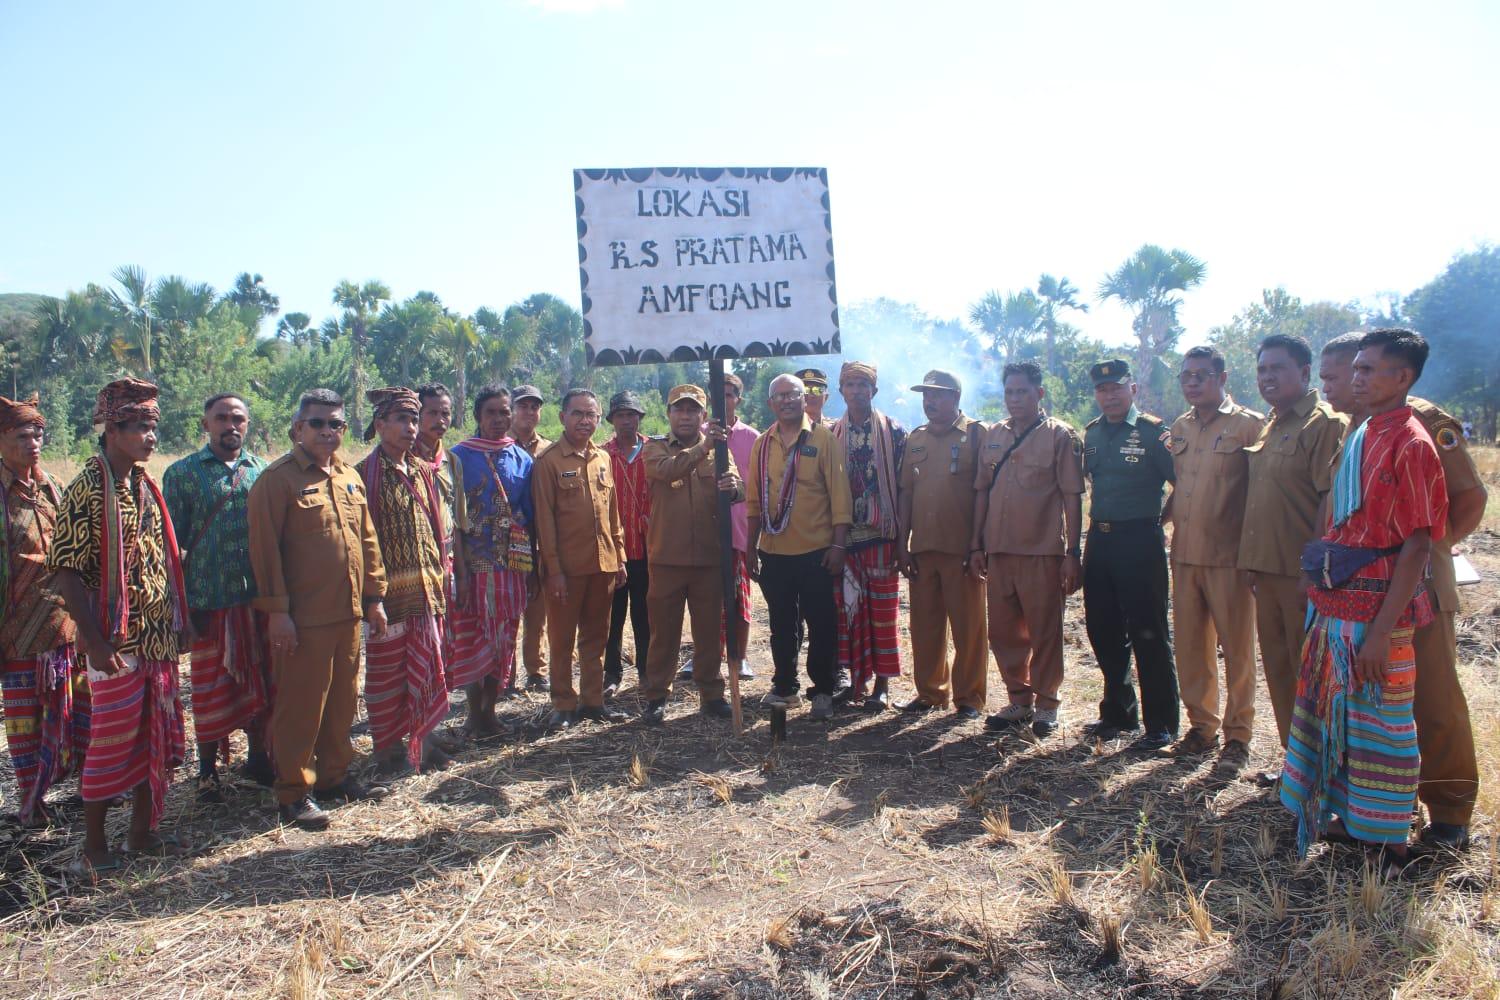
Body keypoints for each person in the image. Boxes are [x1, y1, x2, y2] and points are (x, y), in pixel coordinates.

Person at [1281, 329, 1448, 876]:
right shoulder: (1364, 432)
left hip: (1378, 614)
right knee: (1339, 711)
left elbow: (1419, 542)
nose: (1357, 377)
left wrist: (1380, 632)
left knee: (1382, 722)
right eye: (1354, 368)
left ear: (1402, 378)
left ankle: (1390, 838)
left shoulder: (1414, 442)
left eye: (1369, 369)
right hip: (1338, 603)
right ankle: (1352, 819)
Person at [1319, 333, 1487, 850]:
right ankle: (1386, 810)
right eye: (1333, 376)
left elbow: (1468, 498)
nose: (1340, 383)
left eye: (1347, 371)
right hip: (1363, 592)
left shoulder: (1424, 426)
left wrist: (1431, 552)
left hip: (1418, 591)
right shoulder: (1359, 427)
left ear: (1395, 375)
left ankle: (1450, 812)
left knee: (1432, 700)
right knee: (1376, 705)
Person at [49, 378, 189, 870]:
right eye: (138, 427)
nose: (150, 437)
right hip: (115, 641)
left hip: (154, 638)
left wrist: (178, 622)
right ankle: (93, 848)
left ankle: (141, 835)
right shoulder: (87, 487)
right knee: (111, 744)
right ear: (111, 430)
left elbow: (159, 562)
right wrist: (93, 640)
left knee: (155, 735)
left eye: (152, 427)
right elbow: (65, 569)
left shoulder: (145, 485)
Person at [248, 389, 389, 831]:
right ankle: (293, 792)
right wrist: (278, 613)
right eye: (318, 423)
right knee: (301, 706)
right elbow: (265, 552)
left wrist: (375, 598)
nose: (328, 431)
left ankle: (334, 777)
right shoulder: (278, 480)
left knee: (343, 701)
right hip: (302, 619)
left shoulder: (349, 476)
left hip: (347, 613)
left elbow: (367, 541)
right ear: (298, 429)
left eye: (336, 424)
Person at [1239, 334, 1346, 759]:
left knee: (1314, 675)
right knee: (1281, 673)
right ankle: (1295, 765)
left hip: (1302, 578)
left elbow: (1329, 499)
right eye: (1262, 369)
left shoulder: (1324, 424)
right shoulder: (1272, 423)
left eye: (1276, 368)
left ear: (1304, 373)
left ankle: (1324, 770)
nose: (1267, 377)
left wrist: (1311, 569)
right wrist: (1251, 563)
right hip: (1266, 572)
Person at [162, 393, 272, 802]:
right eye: (221, 418)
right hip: (208, 602)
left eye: (238, 418)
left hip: (256, 600)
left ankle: (259, 758)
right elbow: (169, 547)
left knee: (261, 680)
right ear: (205, 424)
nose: (231, 425)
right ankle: (207, 771)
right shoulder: (183, 474)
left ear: (247, 424)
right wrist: (180, 611)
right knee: (209, 690)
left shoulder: (262, 471)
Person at [1161, 347, 1265, 772]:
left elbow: (1261, 492)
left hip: (1230, 557)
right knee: (1190, 647)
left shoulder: (1250, 425)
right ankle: (1201, 727)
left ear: (1223, 378)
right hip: (1184, 554)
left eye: (1201, 375)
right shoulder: (1180, 426)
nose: (1191, 382)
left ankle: (1237, 736)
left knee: (1237, 648)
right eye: (1186, 375)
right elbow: (1179, 485)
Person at [967, 362, 1084, 737]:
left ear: (1040, 394)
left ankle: (1047, 704)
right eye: (1010, 392)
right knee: (1002, 632)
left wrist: (1072, 553)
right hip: (999, 550)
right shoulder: (994, 434)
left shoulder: (1059, 436)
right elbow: (981, 491)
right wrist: (977, 545)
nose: (1015, 399)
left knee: (1044, 631)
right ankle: (1020, 699)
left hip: (1041, 551)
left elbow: (1071, 495)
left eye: (1022, 392)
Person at [1080, 359, 1179, 750]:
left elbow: (1181, 484)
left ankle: (1161, 723)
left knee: (1148, 632)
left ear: (1132, 389)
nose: (1109, 395)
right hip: (1100, 542)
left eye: (1117, 388)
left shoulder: (1155, 433)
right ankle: (1119, 713)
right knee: (1102, 630)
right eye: (1102, 390)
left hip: (1141, 541)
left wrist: (1160, 522)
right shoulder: (1091, 435)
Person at [0, 393, 87, 828]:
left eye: (37, 433)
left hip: (64, 626)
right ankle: (30, 801)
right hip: (15, 632)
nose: (33, 442)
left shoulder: (51, 487)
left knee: (73, 711)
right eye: (22, 434)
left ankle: (86, 789)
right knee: (23, 723)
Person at [356, 388, 453, 776]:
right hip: (389, 598)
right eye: (401, 420)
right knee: (387, 677)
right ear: (380, 425)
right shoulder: (363, 475)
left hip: (427, 591)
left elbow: (434, 526)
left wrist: (443, 577)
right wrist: (372, 597)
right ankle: (388, 751)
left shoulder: (421, 471)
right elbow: (363, 540)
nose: (411, 428)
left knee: (430, 667)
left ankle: (425, 745)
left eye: (414, 420)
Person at [745, 373, 852, 721]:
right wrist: (749, 548)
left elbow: (839, 495)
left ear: (805, 399)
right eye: (780, 396)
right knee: (781, 624)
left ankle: (821, 690)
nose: (788, 401)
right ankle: (785, 686)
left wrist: (838, 546)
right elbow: (753, 502)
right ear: (770, 403)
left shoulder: (823, 439)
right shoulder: (762, 444)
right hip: (773, 552)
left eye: (793, 394)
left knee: (821, 622)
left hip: (816, 552)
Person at [639, 385, 744, 724]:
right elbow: (668, 471)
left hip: (708, 560)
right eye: (678, 409)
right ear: (668, 414)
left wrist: (733, 487)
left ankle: (712, 694)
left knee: (710, 632)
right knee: (664, 634)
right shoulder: (654, 448)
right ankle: (656, 696)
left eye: (692, 410)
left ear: (702, 415)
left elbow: (740, 490)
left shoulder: (719, 451)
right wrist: (705, 447)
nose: (685, 416)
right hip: (667, 558)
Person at [893, 370, 987, 721]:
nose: (930, 402)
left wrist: (978, 544)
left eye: (938, 395)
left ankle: (970, 698)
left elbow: (983, 492)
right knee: (925, 627)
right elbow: (906, 493)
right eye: (925, 396)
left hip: (961, 549)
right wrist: (902, 544)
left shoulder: (977, 434)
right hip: (923, 548)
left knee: (969, 628)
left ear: (956, 397)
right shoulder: (915, 439)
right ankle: (931, 693)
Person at [533, 389, 629, 729]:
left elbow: (613, 513)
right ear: (562, 417)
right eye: (578, 414)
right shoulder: (548, 462)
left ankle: (593, 701)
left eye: (591, 415)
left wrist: (619, 557)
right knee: (561, 639)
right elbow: (544, 522)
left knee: (596, 637)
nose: (585, 421)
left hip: (602, 565)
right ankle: (562, 703)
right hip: (566, 571)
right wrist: (554, 571)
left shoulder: (602, 458)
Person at [447, 385, 536, 739]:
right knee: (475, 639)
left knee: (504, 639)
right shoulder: (457, 457)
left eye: (504, 412)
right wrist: (461, 572)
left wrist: (534, 568)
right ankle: (474, 715)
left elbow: (531, 515)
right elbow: (452, 519)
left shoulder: (523, 459)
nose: (499, 419)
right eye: (491, 413)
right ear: (478, 417)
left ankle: (490, 711)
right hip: (475, 566)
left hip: (513, 566)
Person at [828, 362, 905, 711]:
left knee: (882, 613)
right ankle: (856, 683)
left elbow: (904, 489)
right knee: (849, 611)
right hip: (846, 536)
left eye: (863, 384)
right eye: (850, 384)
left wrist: (903, 541)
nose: (857, 390)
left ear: (874, 391)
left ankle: (883, 687)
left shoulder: (894, 431)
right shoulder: (831, 435)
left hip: (882, 535)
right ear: (841, 390)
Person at [602, 390, 652, 697]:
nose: (627, 420)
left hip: (647, 548)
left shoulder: (655, 451)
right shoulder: (601, 454)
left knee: (646, 614)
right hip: (612, 551)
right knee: (613, 616)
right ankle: (612, 673)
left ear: (639, 418)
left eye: (632, 414)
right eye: (621, 414)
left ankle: (647, 671)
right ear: (612, 419)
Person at [712, 372, 758, 682]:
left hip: (740, 530)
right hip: (705, 532)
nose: (723, 398)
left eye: (729, 394)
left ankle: (739, 657)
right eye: (718, 393)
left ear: (737, 399)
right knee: (708, 600)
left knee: (739, 598)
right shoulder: (702, 435)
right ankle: (709, 657)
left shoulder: (753, 438)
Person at [510, 385, 552, 694]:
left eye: (534, 407)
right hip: (505, 541)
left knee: (537, 611)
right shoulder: (497, 445)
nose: (529, 412)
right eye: (523, 406)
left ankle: (536, 671)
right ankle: (504, 674)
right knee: (507, 610)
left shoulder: (548, 450)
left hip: (541, 539)